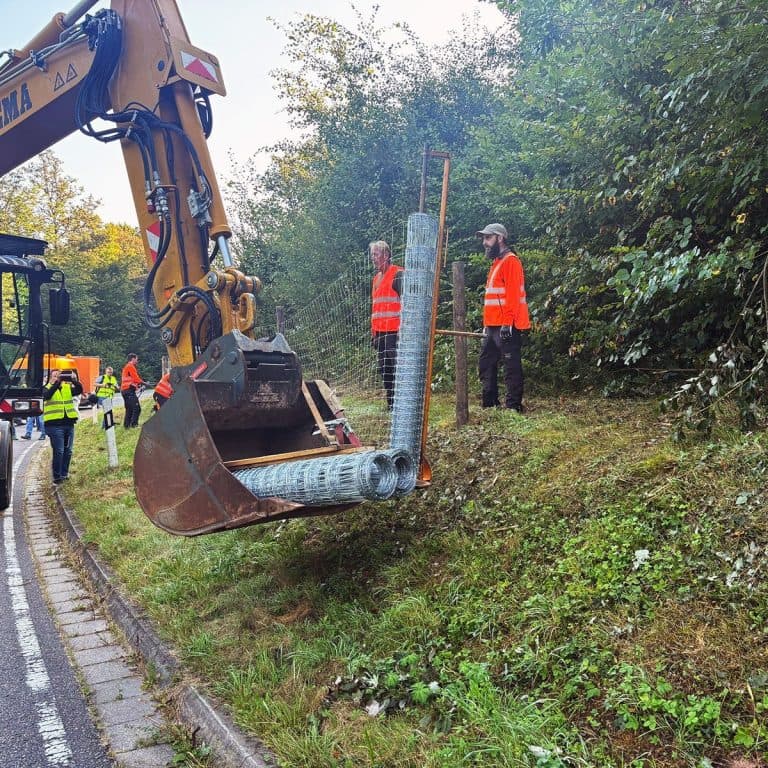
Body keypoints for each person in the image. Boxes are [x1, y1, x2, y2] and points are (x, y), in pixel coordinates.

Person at [476, 223, 531, 412]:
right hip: (492, 325)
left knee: (511, 366)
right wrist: (486, 325)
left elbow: (513, 296)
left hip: (506, 325)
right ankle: (490, 404)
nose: (485, 243)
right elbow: (492, 298)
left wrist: (507, 323)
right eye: (484, 238)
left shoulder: (511, 261)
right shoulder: (497, 262)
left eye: (488, 238)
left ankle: (513, 406)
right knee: (486, 364)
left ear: (500, 238)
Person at [370, 240, 403, 410]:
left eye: (376, 254)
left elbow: (407, 302)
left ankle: (401, 403)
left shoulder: (398, 273)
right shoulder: (376, 279)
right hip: (381, 333)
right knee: (384, 369)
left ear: (386, 255)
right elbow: (375, 308)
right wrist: (373, 333)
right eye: (372, 255)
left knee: (397, 367)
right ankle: (391, 404)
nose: (373, 258)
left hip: (395, 331)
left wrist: (404, 328)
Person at [43, 368, 83, 484]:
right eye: (55, 376)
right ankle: (57, 477)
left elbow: (79, 390)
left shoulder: (67, 388)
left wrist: (74, 380)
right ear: (50, 377)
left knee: (68, 451)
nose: (57, 378)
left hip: (68, 424)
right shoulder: (46, 388)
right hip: (54, 426)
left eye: (59, 376)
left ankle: (64, 474)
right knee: (59, 451)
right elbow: (48, 396)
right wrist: (56, 383)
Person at [120, 353, 146, 428]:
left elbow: (131, 381)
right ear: (133, 359)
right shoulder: (131, 366)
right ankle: (134, 425)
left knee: (129, 409)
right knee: (137, 408)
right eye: (136, 359)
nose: (137, 361)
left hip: (125, 390)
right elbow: (136, 378)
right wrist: (143, 382)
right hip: (128, 391)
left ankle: (126, 425)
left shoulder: (126, 367)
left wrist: (138, 387)